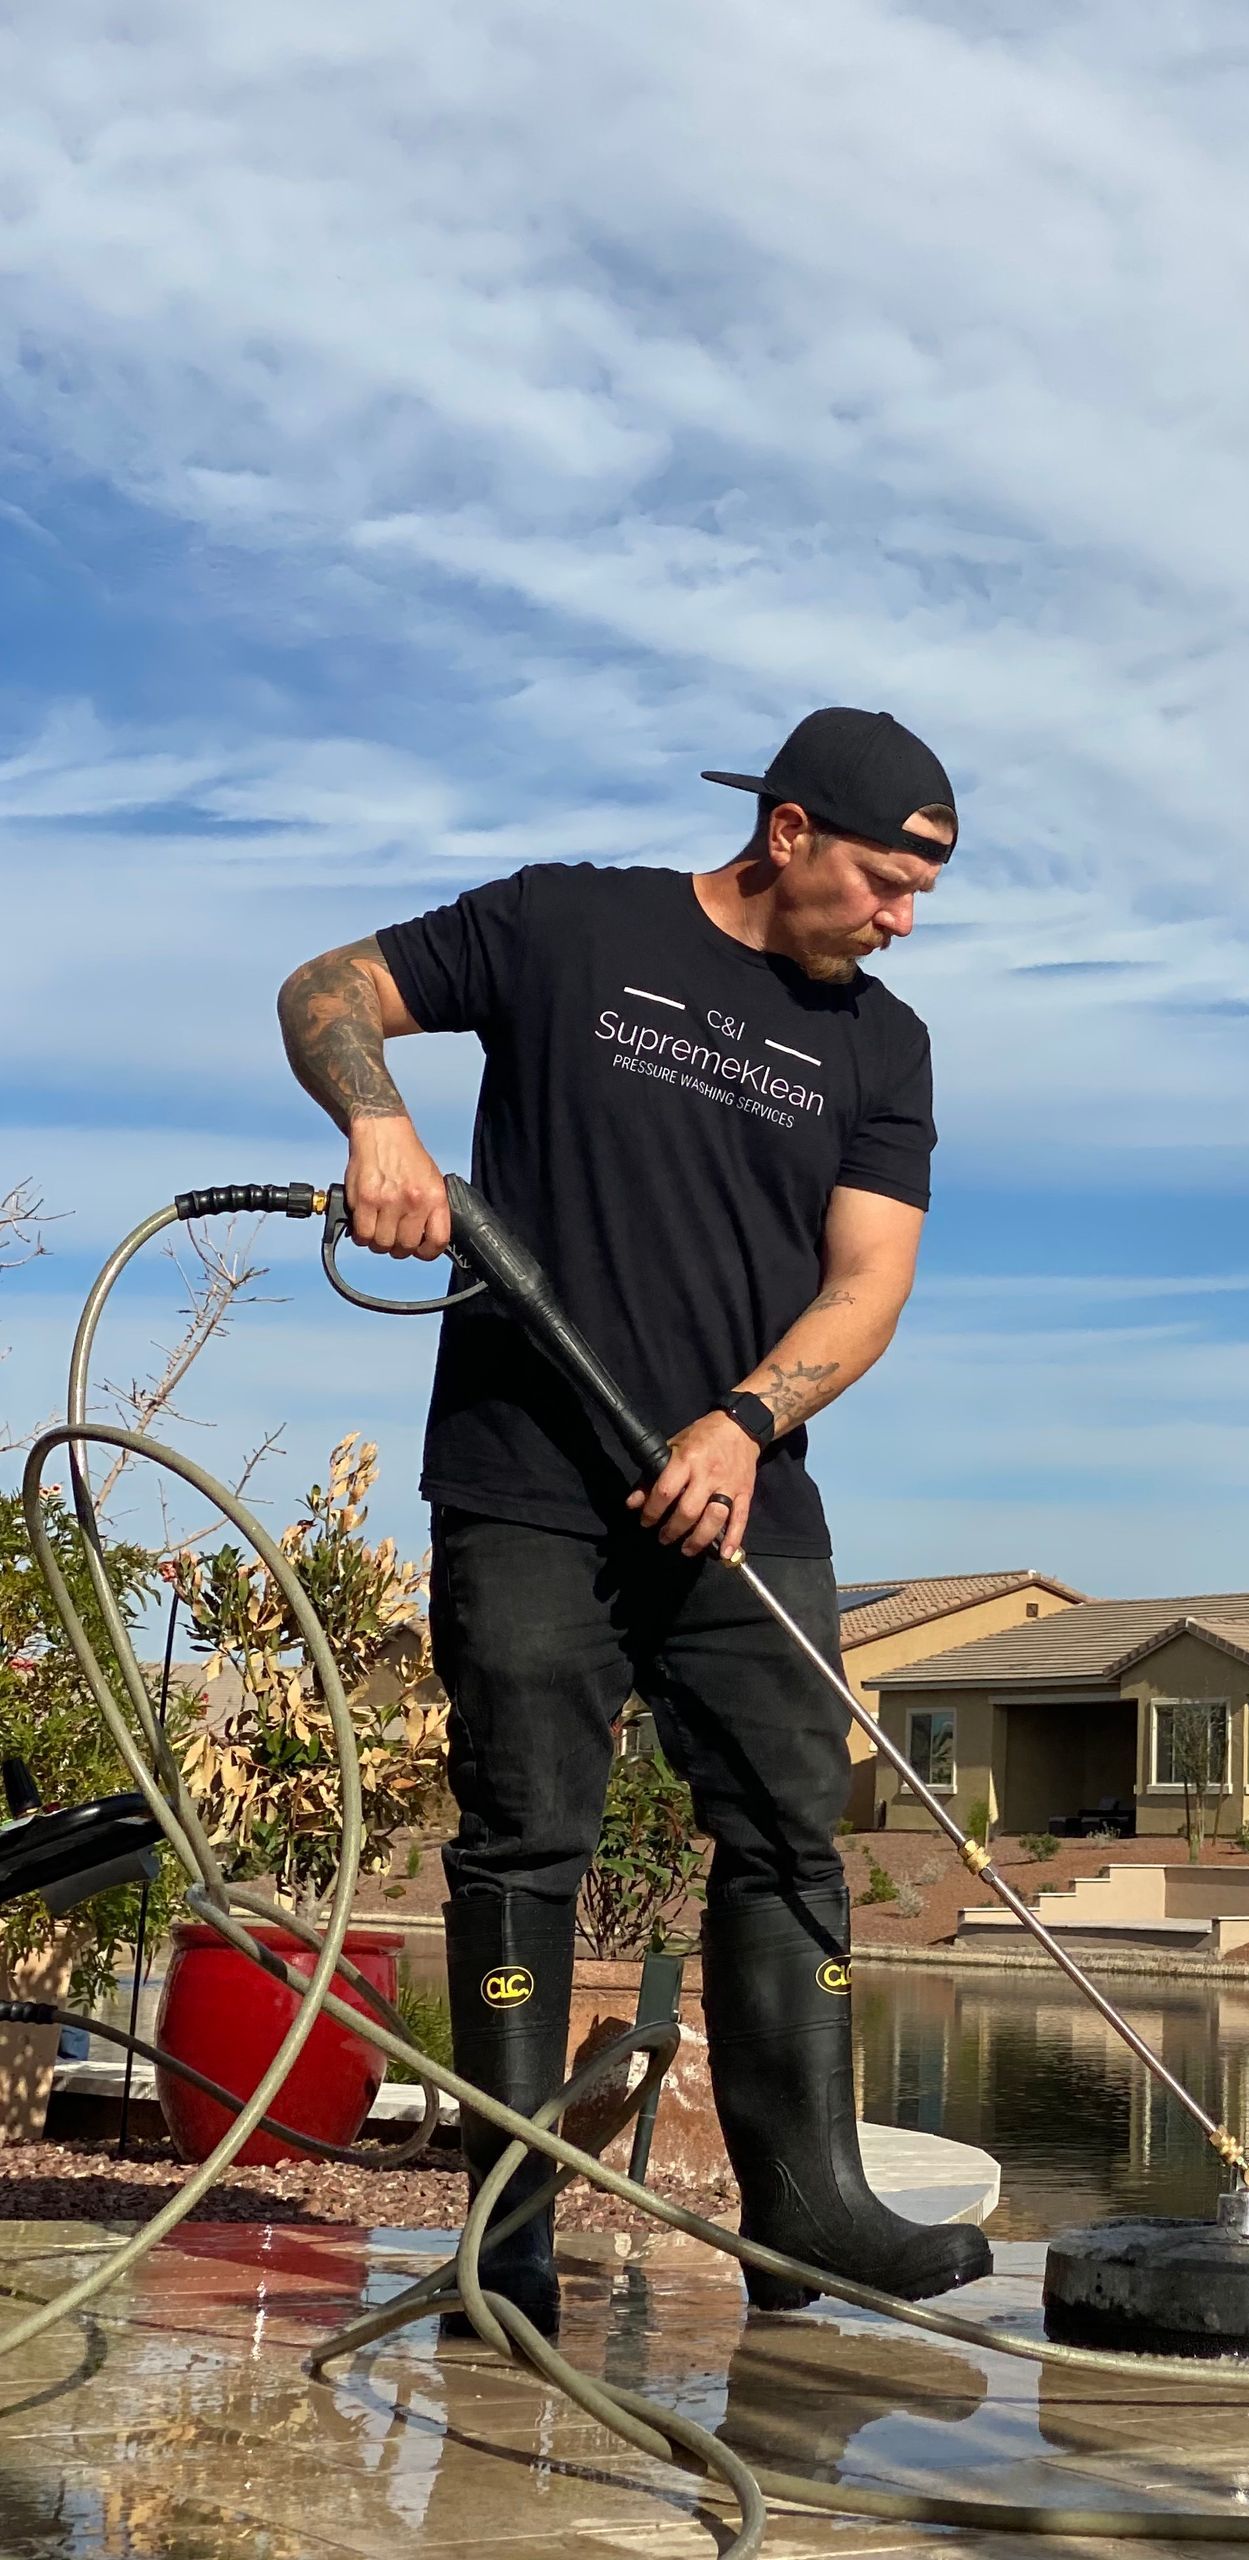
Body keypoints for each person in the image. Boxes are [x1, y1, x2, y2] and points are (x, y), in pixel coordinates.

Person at [277, 707, 991, 2335]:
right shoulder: (565, 925)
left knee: (790, 1828)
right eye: (886, 882)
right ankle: (506, 2239)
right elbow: (325, 989)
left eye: (921, 898)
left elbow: (868, 1282)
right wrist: (375, 1117)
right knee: (527, 1834)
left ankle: (807, 2210)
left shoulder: (887, 1044)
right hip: (529, 1481)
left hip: (746, 1489)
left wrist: (744, 1424)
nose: (901, 921)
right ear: (791, 831)